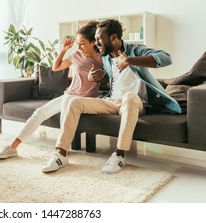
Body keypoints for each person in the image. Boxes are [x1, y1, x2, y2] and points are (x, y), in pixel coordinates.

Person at [42, 19, 181, 173]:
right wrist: (95, 78)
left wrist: (129, 60)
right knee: (74, 102)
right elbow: (109, 81)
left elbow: (166, 58)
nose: (96, 43)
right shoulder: (106, 58)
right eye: (95, 39)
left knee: (129, 96)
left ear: (114, 38)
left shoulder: (136, 50)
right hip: (112, 102)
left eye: (99, 39)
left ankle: (119, 155)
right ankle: (60, 154)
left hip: (134, 102)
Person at [0, 21, 103, 159]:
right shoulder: (76, 56)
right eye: (77, 43)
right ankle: (12, 147)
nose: (79, 46)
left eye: (82, 43)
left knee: (66, 104)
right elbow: (55, 68)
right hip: (69, 95)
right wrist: (63, 50)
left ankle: (60, 152)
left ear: (93, 42)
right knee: (40, 112)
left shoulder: (101, 59)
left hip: (85, 100)